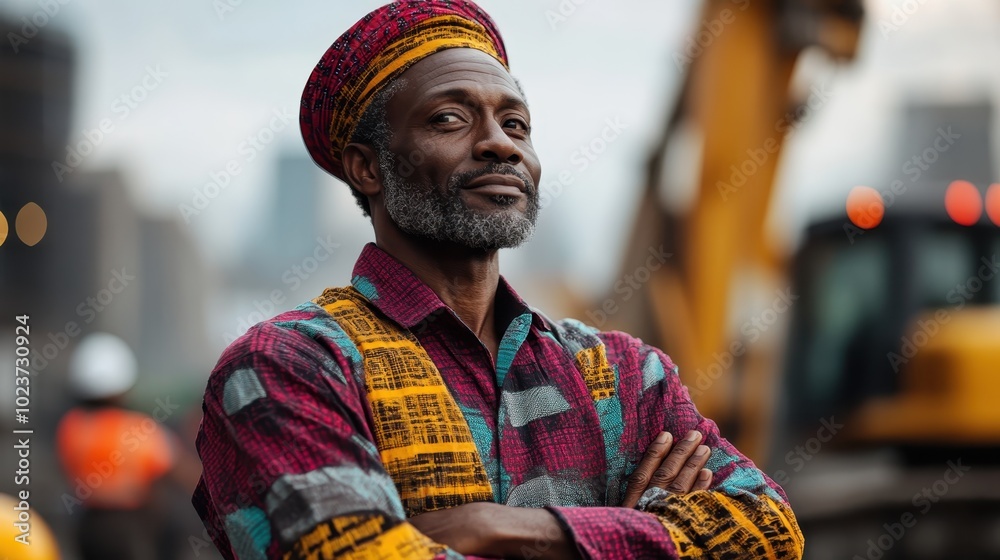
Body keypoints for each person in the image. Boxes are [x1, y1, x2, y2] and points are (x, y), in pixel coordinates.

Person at [193, 1, 804, 558]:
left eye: (516, 125)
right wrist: (630, 532)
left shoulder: (622, 377)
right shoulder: (291, 366)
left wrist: (506, 529)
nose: (499, 146)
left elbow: (770, 533)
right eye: (451, 119)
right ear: (367, 167)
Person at [56, 332, 200, 560]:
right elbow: (183, 473)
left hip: (86, 526)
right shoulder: (138, 430)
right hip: (128, 529)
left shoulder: (70, 428)